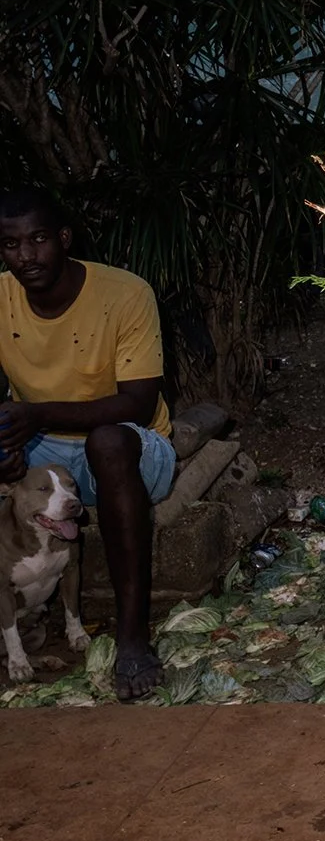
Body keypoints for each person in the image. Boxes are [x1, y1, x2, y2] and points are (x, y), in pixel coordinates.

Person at [0, 185, 175, 701]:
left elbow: (137, 404)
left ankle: (132, 640)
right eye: (10, 245)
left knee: (108, 443)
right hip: (42, 452)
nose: (25, 256)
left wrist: (34, 415)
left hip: (135, 449)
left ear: (64, 238)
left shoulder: (125, 293)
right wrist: (8, 445)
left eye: (38, 239)